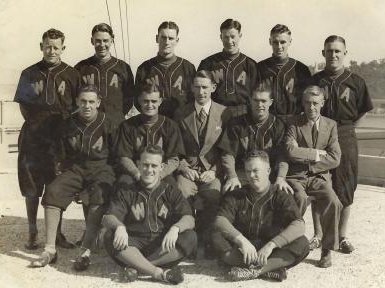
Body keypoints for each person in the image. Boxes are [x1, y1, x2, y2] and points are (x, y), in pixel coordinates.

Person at [30, 85, 117, 270]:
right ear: (77, 101)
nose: (87, 106)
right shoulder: (68, 123)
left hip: (101, 169)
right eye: (83, 101)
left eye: (91, 102)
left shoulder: (109, 123)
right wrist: (61, 170)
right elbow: (59, 153)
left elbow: (117, 156)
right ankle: (50, 250)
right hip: (76, 169)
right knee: (53, 190)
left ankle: (85, 251)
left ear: (98, 103)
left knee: (98, 193)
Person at [14, 28, 80, 250]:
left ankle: (57, 234)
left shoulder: (72, 74)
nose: (52, 50)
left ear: (63, 48)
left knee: (56, 187)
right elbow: (24, 106)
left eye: (56, 46)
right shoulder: (28, 73)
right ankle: (32, 231)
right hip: (34, 138)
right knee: (32, 187)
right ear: (41, 46)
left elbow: (77, 108)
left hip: (60, 140)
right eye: (48, 46)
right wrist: (39, 128)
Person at [311, 35, 373, 254]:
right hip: (320, 133)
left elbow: (364, 109)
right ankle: (318, 235)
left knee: (346, 185)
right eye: (329, 51)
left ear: (345, 53)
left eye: (338, 51)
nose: (333, 55)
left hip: (345, 133)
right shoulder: (315, 80)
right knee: (317, 181)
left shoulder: (355, 81)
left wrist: (346, 129)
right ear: (323, 53)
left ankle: (342, 236)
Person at [102, 145, 197, 284]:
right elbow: (107, 217)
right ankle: (157, 273)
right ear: (138, 165)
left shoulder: (170, 190)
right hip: (133, 244)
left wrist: (175, 228)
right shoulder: (127, 191)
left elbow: (189, 218)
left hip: (162, 246)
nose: (149, 170)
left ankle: (136, 266)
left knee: (190, 236)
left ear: (161, 167)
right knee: (110, 235)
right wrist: (119, 227)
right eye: (145, 165)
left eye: (154, 165)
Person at [212, 150, 309, 282]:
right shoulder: (238, 194)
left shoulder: (281, 195)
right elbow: (220, 220)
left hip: (270, 250)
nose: (251, 175)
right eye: (248, 171)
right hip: (244, 250)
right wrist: (242, 241)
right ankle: (270, 269)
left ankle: (256, 270)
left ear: (268, 171)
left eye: (256, 170)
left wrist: (271, 245)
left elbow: (299, 224)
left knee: (302, 243)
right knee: (217, 237)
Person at [174, 70, 232, 258]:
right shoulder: (181, 112)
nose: (201, 92)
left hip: (212, 169)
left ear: (213, 88)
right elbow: (175, 148)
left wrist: (215, 171)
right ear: (191, 88)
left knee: (214, 194)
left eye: (205, 87)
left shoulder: (224, 113)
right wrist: (184, 168)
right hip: (188, 168)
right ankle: (188, 240)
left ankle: (206, 240)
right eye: (197, 87)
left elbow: (227, 150)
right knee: (182, 192)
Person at [285, 85, 343, 268]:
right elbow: (289, 151)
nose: (311, 107)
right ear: (302, 103)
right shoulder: (293, 122)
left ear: (322, 103)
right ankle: (289, 244)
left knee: (333, 201)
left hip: (319, 177)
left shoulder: (331, 125)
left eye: (316, 103)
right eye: (308, 103)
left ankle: (326, 249)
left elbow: (335, 158)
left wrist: (304, 156)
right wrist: (318, 154)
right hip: (296, 177)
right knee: (298, 198)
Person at [218, 85, 292, 194]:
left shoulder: (278, 125)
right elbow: (228, 154)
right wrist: (232, 176)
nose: (259, 105)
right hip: (243, 172)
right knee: (232, 192)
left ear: (270, 102)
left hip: (268, 173)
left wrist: (281, 177)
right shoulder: (237, 123)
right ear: (250, 101)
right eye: (256, 100)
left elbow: (282, 156)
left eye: (263, 101)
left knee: (283, 194)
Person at [115, 84, 184, 184]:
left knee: (171, 186)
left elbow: (174, 159)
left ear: (160, 101)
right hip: (135, 172)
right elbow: (123, 156)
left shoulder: (170, 126)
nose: (150, 105)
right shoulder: (127, 126)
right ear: (139, 101)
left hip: (161, 173)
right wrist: (136, 174)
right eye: (146, 101)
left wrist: (159, 175)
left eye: (154, 101)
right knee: (123, 184)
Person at [75, 23, 135, 125]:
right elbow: (75, 97)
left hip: (116, 124)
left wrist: (115, 115)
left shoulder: (123, 67)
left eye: (105, 41)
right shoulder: (81, 67)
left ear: (112, 40)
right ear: (92, 41)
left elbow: (129, 99)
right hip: (88, 125)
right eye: (98, 41)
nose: (102, 45)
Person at [198, 19, 259, 117]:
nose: (229, 41)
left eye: (233, 37)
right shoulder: (208, 63)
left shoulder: (251, 65)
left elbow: (257, 95)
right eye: (226, 37)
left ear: (240, 36)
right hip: (214, 113)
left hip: (243, 113)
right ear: (220, 37)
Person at [135, 21, 196, 119]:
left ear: (177, 40)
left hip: (182, 124)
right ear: (157, 39)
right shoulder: (144, 68)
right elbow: (137, 100)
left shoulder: (188, 67)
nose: (167, 42)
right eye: (163, 37)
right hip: (154, 122)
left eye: (171, 38)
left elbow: (194, 99)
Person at [258, 24, 311, 119]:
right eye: (275, 42)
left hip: (294, 121)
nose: (279, 46)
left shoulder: (301, 69)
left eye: (283, 42)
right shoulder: (259, 68)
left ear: (290, 42)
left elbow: (308, 100)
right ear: (270, 42)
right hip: (267, 121)